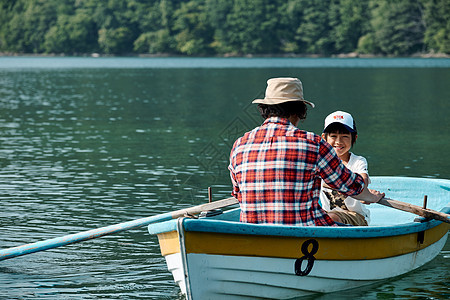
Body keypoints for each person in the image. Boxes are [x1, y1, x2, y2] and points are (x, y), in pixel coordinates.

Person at [228, 77, 384, 226]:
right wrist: (371, 196)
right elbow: (352, 187)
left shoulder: (239, 145)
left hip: (253, 234)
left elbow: (237, 193)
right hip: (303, 233)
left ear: (266, 109)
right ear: (299, 111)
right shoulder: (314, 144)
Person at [320, 111, 371, 226]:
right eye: (333, 136)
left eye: (345, 137)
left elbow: (364, 180)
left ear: (354, 138)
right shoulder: (321, 163)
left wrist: (364, 192)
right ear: (324, 138)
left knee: (330, 218)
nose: (338, 142)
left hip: (356, 216)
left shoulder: (358, 161)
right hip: (327, 215)